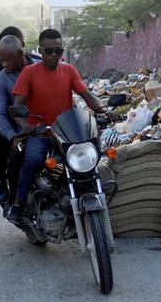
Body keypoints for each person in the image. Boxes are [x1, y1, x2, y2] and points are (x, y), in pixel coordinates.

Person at [7, 29, 109, 224]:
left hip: (67, 132)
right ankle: (19, 204)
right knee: (34, 161)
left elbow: (86, 95)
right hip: (41, 132)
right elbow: (17, 106)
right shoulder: (29, 72)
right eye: (49, 51)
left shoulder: (69, 70)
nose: (54, 55)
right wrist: (26, 126)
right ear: (40, 50)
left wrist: (102, 110)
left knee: (91, 158)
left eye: (58, 50)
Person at [0, 35, 36, 208]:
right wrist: (12, 135)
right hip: (18, 128)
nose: (4, 64)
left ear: (20, 53)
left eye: (8, 60)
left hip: (43, 125)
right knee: (1, 135)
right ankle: (3, 183)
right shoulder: (2, 78)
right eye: (2, 60)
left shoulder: (41, 66)